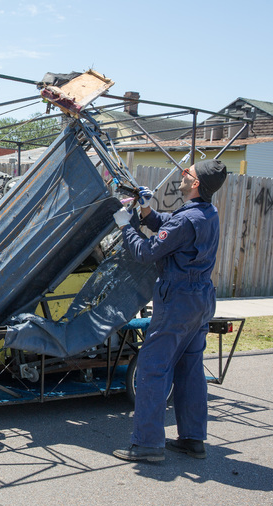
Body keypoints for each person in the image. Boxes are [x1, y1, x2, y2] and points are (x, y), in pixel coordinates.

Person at [111, 159, 228, 462]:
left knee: (153, 367)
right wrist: (148, 212)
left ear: (197, 182)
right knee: (190, 370)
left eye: (187, 173)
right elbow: (172, 231)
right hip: (201, 299)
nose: (182, 176)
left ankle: (147, 445)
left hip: (177, 299)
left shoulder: (185, 219)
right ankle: (193, 439)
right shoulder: (207, 214)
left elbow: (146, 252)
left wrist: (127, 226)